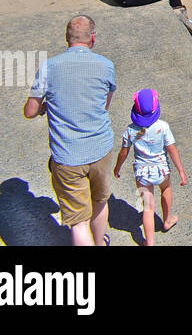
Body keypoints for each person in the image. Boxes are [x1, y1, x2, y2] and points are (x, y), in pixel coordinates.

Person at [24, 16, 117, 246]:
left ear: (67, 38)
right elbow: (104, 105)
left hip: (67, 155)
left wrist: (44, 106)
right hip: (101, 149)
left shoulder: (49, 67)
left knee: (78, 221)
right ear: (92, 38)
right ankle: (101, 241)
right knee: (100, 202)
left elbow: (30, 111)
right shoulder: (106, 65)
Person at [113, 89, 187, 246]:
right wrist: (181, 170)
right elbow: (172, 148)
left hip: (142, 173)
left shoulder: (130, 130)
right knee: (166, 190)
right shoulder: (163, 127)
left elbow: (123, 153)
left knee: (147, 207)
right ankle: (167, 220)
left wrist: (117, 168)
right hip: (162, 170)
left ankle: (150, 242)